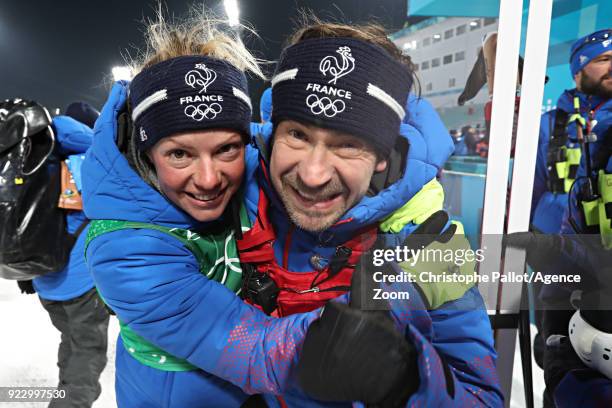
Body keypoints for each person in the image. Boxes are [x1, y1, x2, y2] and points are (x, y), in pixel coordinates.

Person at [82, 13, 415, 407]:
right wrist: (347, 343)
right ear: (147, 154)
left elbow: (314, 139)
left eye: (226, 149)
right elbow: (249, 346)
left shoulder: (257, 175)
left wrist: (404, 189)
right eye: (179, 154)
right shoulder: (125, 250)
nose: (208, 179)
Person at [237, 20, 503, 407]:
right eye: (297, 134)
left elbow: (483, 398)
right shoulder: (232, 193)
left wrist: (405, 382)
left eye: (348, 144)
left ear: (382, 156)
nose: (313, 174)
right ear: (272, 132)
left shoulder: (429, 244)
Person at [512, 28, 612, 408]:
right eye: (602, 60)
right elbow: (530, 183)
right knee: (554, 344)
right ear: (578, 70)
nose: (611, 67)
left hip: (602, 255)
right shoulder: (551, 123)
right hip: (554, 248)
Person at [21, 102, 109, 408]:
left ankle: (63, 394)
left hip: (45, 279)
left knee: (71, 343)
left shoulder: (39, 156)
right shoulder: (80, 159)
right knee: (88, 353)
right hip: (79, 282)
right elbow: (94, 210)